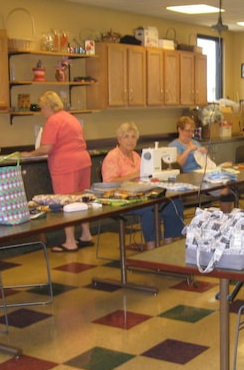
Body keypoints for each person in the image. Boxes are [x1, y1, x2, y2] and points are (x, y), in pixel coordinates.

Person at [21, 91, 93, 252]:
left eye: (41, 108)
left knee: (66, 202)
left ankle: (70, 241)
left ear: (48, 106)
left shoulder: (53, 120)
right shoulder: (70, 117)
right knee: (80, 200)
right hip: (83, 161)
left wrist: (29, 154)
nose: (41, 112)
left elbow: (47, 147)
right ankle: (86, 234)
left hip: (65, 165)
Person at [101, 122, 184, 250]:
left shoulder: (136, 156)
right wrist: (134, 175)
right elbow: (109, 183)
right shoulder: (112, 157)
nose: (130, 140)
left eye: (133, 137)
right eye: (126, 137)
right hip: (122, 199)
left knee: (173, 202)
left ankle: (169, 243)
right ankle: (152, 247)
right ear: (119, 139)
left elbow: (146, 175)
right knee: (149, 208)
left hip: (141, 193)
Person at [169, 116, 234, 213]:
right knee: (224, 190)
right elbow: (178, 165)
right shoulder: (174, 145)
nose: (190, 134)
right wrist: (188, 150)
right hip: (189, 178)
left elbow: (207, 162)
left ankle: (227, 218)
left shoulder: (195, 142)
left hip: (203, 175)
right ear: (180, 130)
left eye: (192, 131)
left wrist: (205, 153)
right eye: (188, 131)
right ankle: (226, 217)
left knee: (227, 183)